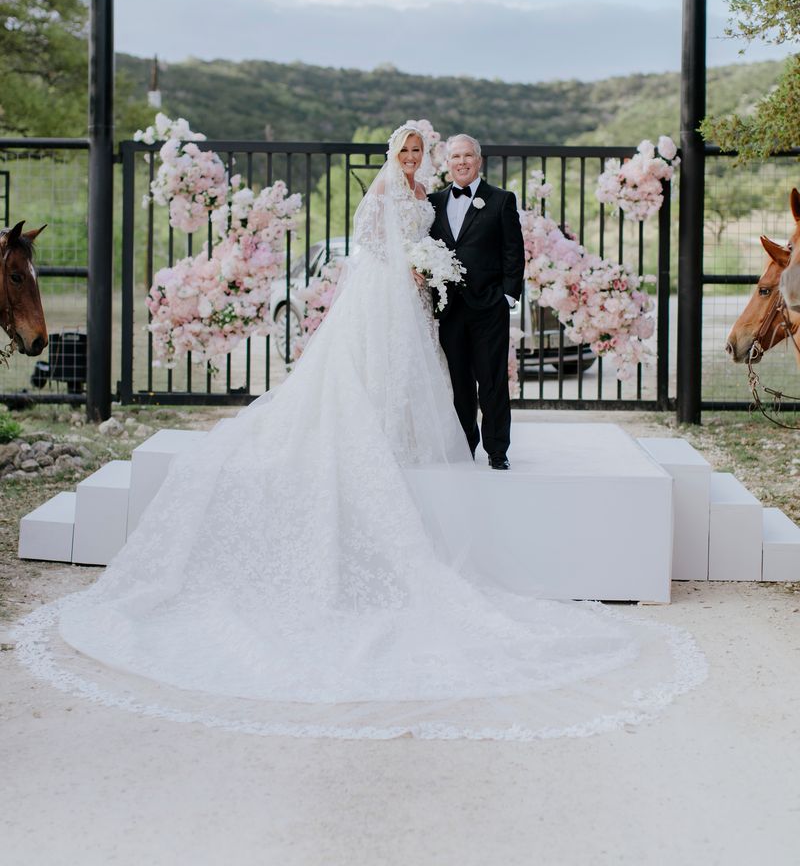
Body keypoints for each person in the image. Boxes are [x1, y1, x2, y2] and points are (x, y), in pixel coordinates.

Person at [17, 122, 705, 741]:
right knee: (381, 368)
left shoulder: (440, 196)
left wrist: (436, 271)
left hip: (431, 296)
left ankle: (472, 448)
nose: (415, 157)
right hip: (385, 290)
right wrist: (410, 268)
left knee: (452, 378)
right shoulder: (395, 193)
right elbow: (375, 243)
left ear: (440, 157)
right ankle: (382, 436)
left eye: (421, 150)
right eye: (409, 149)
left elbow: (472, 245)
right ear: (396, 153)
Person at [428, 134, 524, 469]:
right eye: (455, 156)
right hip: (449, 309)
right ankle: (464, 446)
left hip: (489, 307)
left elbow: (514, 252)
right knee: (459, 383)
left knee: (492, 381)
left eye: (468, 156)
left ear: (479, 160)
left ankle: (498, 450)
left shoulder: (500, 200)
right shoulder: (433, 202)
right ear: (448, 162)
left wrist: (507, 296)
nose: (462, 162)